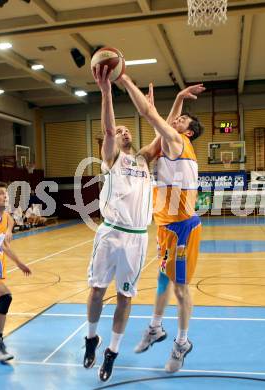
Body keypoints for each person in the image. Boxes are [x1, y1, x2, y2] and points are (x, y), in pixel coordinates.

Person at [119, 74, 204, 373]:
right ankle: (155, 327)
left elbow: (150, 114)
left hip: (182, 227)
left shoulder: (178, 142)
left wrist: (125, 79)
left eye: (181, 120)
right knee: (162, 280)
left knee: (180, 288)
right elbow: (159, 127)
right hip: (166, 226)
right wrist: (179, 97)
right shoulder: (172, 143)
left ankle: (182, 343)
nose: (176, 121)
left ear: (188, 132)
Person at [83, 64, 160, 382]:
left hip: (137, 237)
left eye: (129, 130)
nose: (124, 132)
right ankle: (90, 338)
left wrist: (153, 112)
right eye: (121, 130)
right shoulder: (113, 157)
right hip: (111, 233)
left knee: (126, 297)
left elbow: (162, 136)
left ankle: (112, 351)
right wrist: (105, 93)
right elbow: (109, 127)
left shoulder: (143, 159)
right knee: (97, 291)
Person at [0, 182, 31, 361]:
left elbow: (4, 244)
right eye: (1, 193)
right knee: (5, 296)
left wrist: (19, 264)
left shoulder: (5, 217)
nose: (5, 196)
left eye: (5, 194)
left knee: (4, 298)